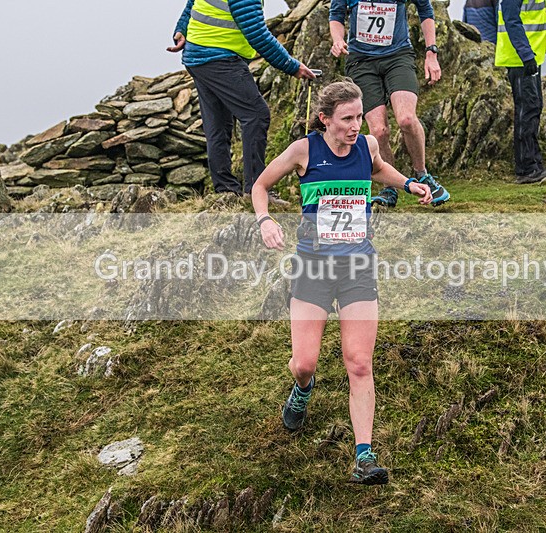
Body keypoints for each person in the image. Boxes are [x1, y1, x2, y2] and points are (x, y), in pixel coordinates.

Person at [252, 81, 432, 485]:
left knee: (360, 362)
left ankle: (364, 457)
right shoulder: (304, 151)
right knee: (304, 363)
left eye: (359, 116)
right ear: (325, 120)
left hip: (357, 269)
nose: (356, 126)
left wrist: (408, 184)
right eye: (347, 119)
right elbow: (260, 186)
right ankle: (302, 390)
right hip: (313, 269)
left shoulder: (366, 146)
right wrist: (265, 221)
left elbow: (380, 169)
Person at [168, 0, 315, 203]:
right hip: (219, 57)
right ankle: (256, 189)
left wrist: (181, 28)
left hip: (198, 56)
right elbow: (256, 34)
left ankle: (226, 191)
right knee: (256, 115)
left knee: (218, 124)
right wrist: (292, 66)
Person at [328, 0, 450, 208]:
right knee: (379, 130)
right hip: (361, 61)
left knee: (407, 119)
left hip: (398, 56)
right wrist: (338, 40)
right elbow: (336, 15)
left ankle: (422, 175)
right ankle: (389, 187)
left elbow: (425, 10)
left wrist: (431, 53)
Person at [496, 0, 546, 184]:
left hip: (531, 56)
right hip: (519, 59)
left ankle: (535, 165)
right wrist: (526, 54)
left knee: (534, 107)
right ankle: (526, 169)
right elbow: (511, 20)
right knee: (526, 110)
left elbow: (542, 20)